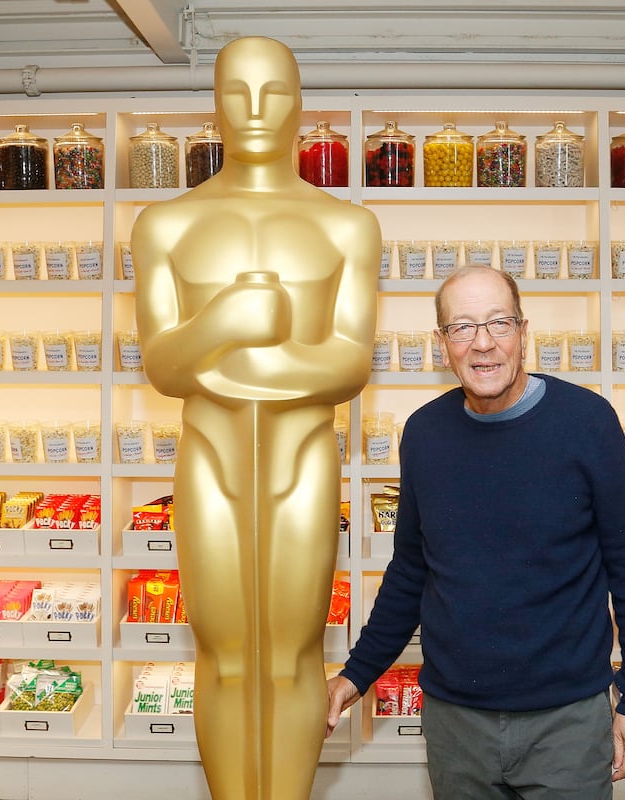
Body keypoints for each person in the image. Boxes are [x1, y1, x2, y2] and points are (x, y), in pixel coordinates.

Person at [131, 37, 381, 800]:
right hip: (209, 456)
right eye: (236, 92)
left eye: (274, 92)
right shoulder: (164, 226)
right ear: (214, 100)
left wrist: (232, 361)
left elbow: (349, 364)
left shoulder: (346, 226)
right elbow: (165, 366)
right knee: (224, 653)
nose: (255, 110)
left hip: (303, 456)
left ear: (301, 103)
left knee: (295, 652)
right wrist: (229, 322)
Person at [326, 264, 625, 798]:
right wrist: (356, 674)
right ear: (442, 346)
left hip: (568, 721)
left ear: (524, 334)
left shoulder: (587, 422)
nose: (482, 344)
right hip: (455, 722)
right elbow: (412, 569)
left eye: (498, 323)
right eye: (462, 327)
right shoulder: (424, 434)